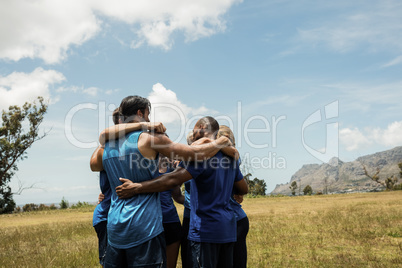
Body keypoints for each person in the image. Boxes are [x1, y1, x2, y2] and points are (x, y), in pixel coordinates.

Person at [90, 96, 232, 267]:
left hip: (115, 229)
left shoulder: (106, 147)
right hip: (145, 227)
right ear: (140, 112)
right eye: (148, 115)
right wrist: (220, 142)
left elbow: (94, 164)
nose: (149, 119)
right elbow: (196, 154)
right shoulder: (149, 139)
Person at [115, 116, 248, 268]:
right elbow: (244, 188)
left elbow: (172, 180)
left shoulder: (200, 156)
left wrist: (137, 187)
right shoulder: (230, 157)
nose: (193, 134)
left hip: (205, 231)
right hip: (227, 230)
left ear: (202, 129)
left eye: (194, 130)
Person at [90, 107, 165, 267]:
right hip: (115, 218)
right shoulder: (109, 146)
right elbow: (94, 163)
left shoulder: (131, 144)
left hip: (123, 218)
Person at [217, 125, 249, 268]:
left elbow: (242, 188)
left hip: (232, 220)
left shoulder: (231, 158)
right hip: (232, 219)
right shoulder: (231, 158)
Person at [158, 155, 184, 268]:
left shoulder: (171, 169)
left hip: (171, 221)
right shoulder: (145, 169)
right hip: (151, 223)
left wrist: (198, 202)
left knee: (170, 265)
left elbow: (177, 196)